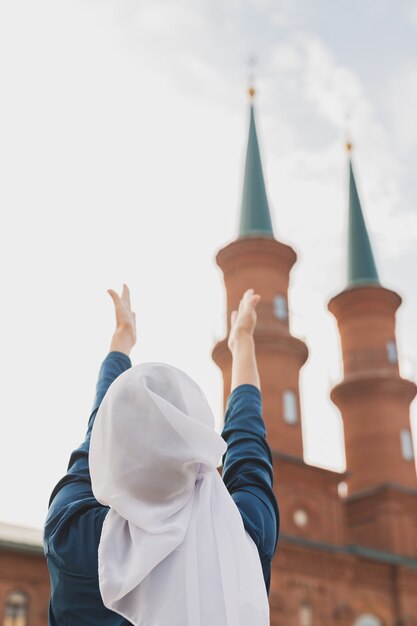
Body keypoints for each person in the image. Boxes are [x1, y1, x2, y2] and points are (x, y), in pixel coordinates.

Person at [43, 284, 279, 625]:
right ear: (198, 443)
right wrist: (242, 343)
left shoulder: (70, 536)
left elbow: (92, 440)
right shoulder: (243, 532)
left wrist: (121, 342)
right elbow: (248, 444)